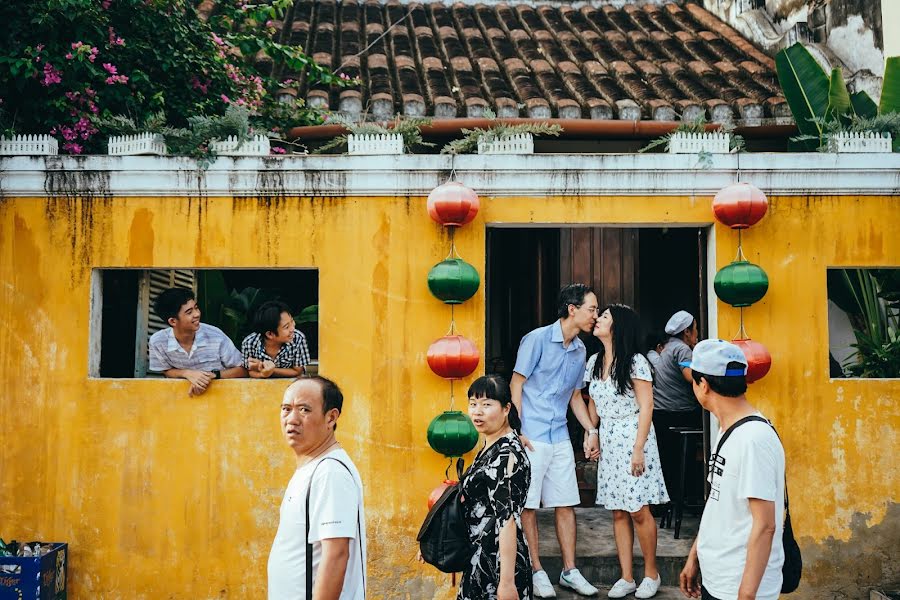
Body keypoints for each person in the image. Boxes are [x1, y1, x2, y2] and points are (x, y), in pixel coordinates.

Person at [511, 283, 601, 598]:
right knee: (529, 505)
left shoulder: (580, 350)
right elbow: (516, 384)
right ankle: (536, 570)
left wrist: (591, 430)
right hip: (531, 435)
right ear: (572, 309)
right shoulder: (536, 340)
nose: (596, 316)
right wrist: (516, 430)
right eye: (592, 309)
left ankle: (569, 571)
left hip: (560, 434)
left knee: (566, 504)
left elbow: (575, 396)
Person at [678, 340, 785, 600]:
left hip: (739, 586)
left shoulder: (753, 439)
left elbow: (766, 525)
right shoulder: (728, 429)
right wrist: (695, 555)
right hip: (719, 578)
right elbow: (719, 501)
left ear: (703, 385)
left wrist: (746, 595)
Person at [585, 305, 669, 599]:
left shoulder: (635, 362)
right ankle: (627, 577)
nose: (598, 319)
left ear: (618, 327)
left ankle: (651, 573)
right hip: (609, 437)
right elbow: (593, 403)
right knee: (618, 511)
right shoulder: (595, 361)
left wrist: (638, 449)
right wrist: (591, 433)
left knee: (639, 510)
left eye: (605, 317)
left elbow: (647, 406)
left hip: (635, 437)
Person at [268, 377, 367, 600]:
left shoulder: (330, 472)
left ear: (331, 417)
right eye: (286, 409)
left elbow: (336, 554)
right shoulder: (312, 467)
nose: (291, 419)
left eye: (304, 410)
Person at [459, 375, 533, 600]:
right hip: (480, 557)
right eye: (473, 404)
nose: (477, 411)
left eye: (487, 404)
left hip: (496, 565)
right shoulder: (492, 445)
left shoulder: (505, 456)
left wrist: (507, 583)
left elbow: (508, 519)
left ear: (506, 408)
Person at [148, 287, 246, 395]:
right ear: (173, 321)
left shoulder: (215, 335)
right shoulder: (157, 341)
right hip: (182, 401)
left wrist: (213, 375)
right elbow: (166, 371)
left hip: (221, 398)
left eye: (196, 308)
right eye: (189, 312)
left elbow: (243, 370)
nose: (197, 314)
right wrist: (187, 373)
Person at [651, 310, 701, 496]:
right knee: (682, 460)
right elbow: (690, 377)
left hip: (661, 413)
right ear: (687, 332)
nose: (697, 333)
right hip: (679, 414)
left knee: (667, 460)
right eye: (695, 329)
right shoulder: (682, 349)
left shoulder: (668, 347)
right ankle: (688, 495)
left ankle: (670, 500)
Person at [241, 300, 311, 378]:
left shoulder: (298, 338)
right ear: (270, 334)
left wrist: (268, 369)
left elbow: (297, 371)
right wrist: (262, 374)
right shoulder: (249, 343)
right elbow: (250, 372)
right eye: (286, 327)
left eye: (292, 321)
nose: (292, 329)